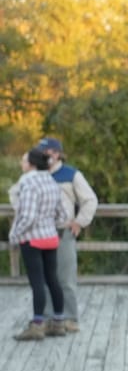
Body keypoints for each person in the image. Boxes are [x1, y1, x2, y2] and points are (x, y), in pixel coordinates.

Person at [10, 147, 72, 341]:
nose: (21, 164)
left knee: (37, 282)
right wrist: (48, 223)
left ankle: (37, 326)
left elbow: (27, 216)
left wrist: (16, 235)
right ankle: (58, 322)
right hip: (50, 238)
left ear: (32, 165)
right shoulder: (53, 183)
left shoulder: (29, 185)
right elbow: (63, 215)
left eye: (23, 161)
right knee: (52, 279)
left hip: (32, 239)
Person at [37, 136, 97, 333]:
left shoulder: (71, 174)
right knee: (45, 277)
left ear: (56, 153)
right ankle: (47, 318)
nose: (41, 155)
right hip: (41, 232)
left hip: (63, 232)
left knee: (65, 278)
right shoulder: (37, 174)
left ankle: (70, 318)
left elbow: (90, 200)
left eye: (45, 151)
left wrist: (79, 222)